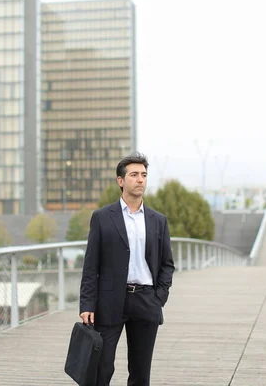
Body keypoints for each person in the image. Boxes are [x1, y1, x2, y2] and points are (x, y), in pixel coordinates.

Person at [79, 152, 175, 386]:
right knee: (102, 369)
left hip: (146, 301)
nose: (140, 179)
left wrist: (158, 297)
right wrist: (87, 304)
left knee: (141, 373)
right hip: (110, 301)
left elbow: (167, 263)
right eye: (134, 175)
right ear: (121, 181)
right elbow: (91, 265)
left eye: (143, 175)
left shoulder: (157, 220)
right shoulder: (102, 217)